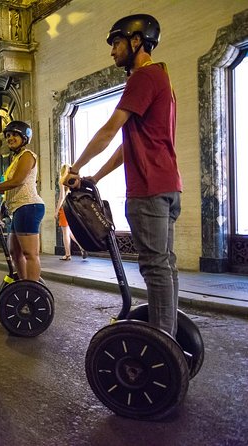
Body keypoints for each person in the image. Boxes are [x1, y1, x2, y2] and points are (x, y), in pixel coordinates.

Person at [62, 14, 182, 336]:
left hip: (149, 189)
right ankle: (167, 335)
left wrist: (75, 168)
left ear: (136, 41)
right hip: (168, 187)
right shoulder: (162, 81)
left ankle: (163, 342)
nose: (112, 51)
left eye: (116, 43)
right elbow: (130, 145)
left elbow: (109, 130)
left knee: (156, 269)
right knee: (165, 266)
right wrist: (95, 177)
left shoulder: (143, 77)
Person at [0, 120, 45, 282]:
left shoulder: (27, 155)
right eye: (8, 136)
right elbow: (8, 189)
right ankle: (23, 283)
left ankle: (33, 290)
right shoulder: (17, 159)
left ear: (24, 138)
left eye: (14, 135)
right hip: (18, 209)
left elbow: (17, 181)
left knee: (30, 253)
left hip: (29, 206)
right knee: (14, 252)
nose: (10, 138)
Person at [55, 165, 87, 261]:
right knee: (69, 231)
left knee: (65, 232)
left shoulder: (62, 180)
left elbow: (62, 197)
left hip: (64, 208)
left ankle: (67, 254)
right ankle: (82, 246)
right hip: (72, 208)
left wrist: (56, 210)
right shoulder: (74, 179)